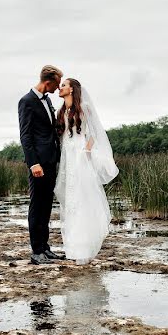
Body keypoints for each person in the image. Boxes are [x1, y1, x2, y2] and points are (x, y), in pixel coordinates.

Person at [53, 78, 119, 264]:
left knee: (83, 198)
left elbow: (94, 134)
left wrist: (87, 152)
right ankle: (74, 247)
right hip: (68, 158)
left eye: (64, 85)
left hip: (80, 156)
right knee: (71, 200)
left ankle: (86, 245)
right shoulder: (61, 111)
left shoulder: (85, 108)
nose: (61, 87)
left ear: (72, 89)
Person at [18, 65, 64, 265]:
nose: (59, 87)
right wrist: (33, 163)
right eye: (57, 83)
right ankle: (36, 251)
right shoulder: (26, 101)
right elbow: (26, 136)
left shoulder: (48, 100)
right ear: (48, 82)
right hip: (38, 164)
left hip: (51, 161)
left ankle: (45, 248)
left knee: (46, 206)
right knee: (37, 206)